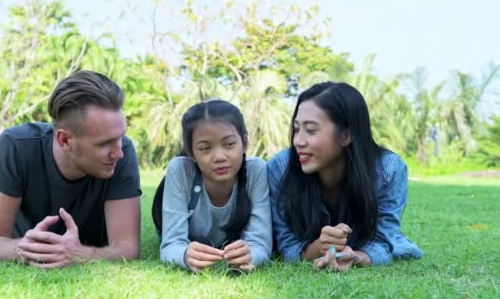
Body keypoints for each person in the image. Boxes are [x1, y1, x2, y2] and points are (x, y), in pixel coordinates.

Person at [0, 70, 141, 268]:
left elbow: (127, 247)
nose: (118, 153)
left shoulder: (123, 152)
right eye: (105, 144)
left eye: (120, 137)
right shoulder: (14, 148)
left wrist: (79, 254)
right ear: (64, 139)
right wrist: (25, 249)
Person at [268, 82, 423, 272]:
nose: (298, 141)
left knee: (402, 249)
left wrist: (354, 256)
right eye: (297, 129)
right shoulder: (280, 168)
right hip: (309, 242)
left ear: (345, 135)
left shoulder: (388, 170)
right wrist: (320, 246)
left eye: (311, 130)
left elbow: (382, 244)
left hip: (362, 240)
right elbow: (287, 246)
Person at [153, 100, 272, 273]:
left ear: (245, 143)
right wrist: (185, 255)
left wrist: (250, 255)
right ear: (191, 152)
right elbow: (171, 244)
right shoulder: (180, 169)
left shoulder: (256, 170)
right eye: (205, 148)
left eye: (229, 144)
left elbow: (260, 243)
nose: (219, 157)